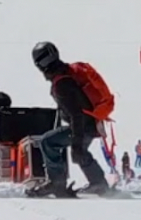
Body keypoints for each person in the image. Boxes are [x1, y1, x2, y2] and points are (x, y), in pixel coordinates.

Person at [27, 41, 110, 198]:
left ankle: (57, 184)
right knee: (79, 151)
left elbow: (76, 115)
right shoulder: (65, 74)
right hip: (91, 123)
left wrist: (76, 142)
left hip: (83, 126)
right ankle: (99, 183)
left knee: (48, 142)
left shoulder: (62, 83)